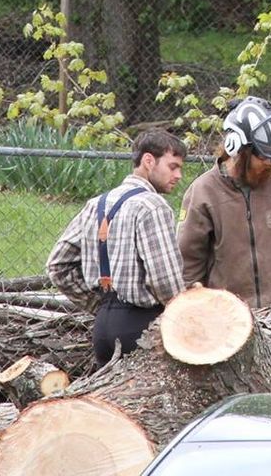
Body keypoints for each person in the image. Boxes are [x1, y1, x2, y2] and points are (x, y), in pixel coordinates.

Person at [47, 128, 188, 362]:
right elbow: (165, 282)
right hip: (144, 327)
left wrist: (99, 306)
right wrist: (186, 318)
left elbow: (58, 266)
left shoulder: (96, 204)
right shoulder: (153, 206)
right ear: (148, 161)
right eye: (173, 166)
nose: (179, 175)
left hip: (103, 328)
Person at [178, 96, 271, 309]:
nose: (270, 164)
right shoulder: (204, 192)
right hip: (230, 313)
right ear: (237, 148)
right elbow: (188, 262)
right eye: (264, 156)